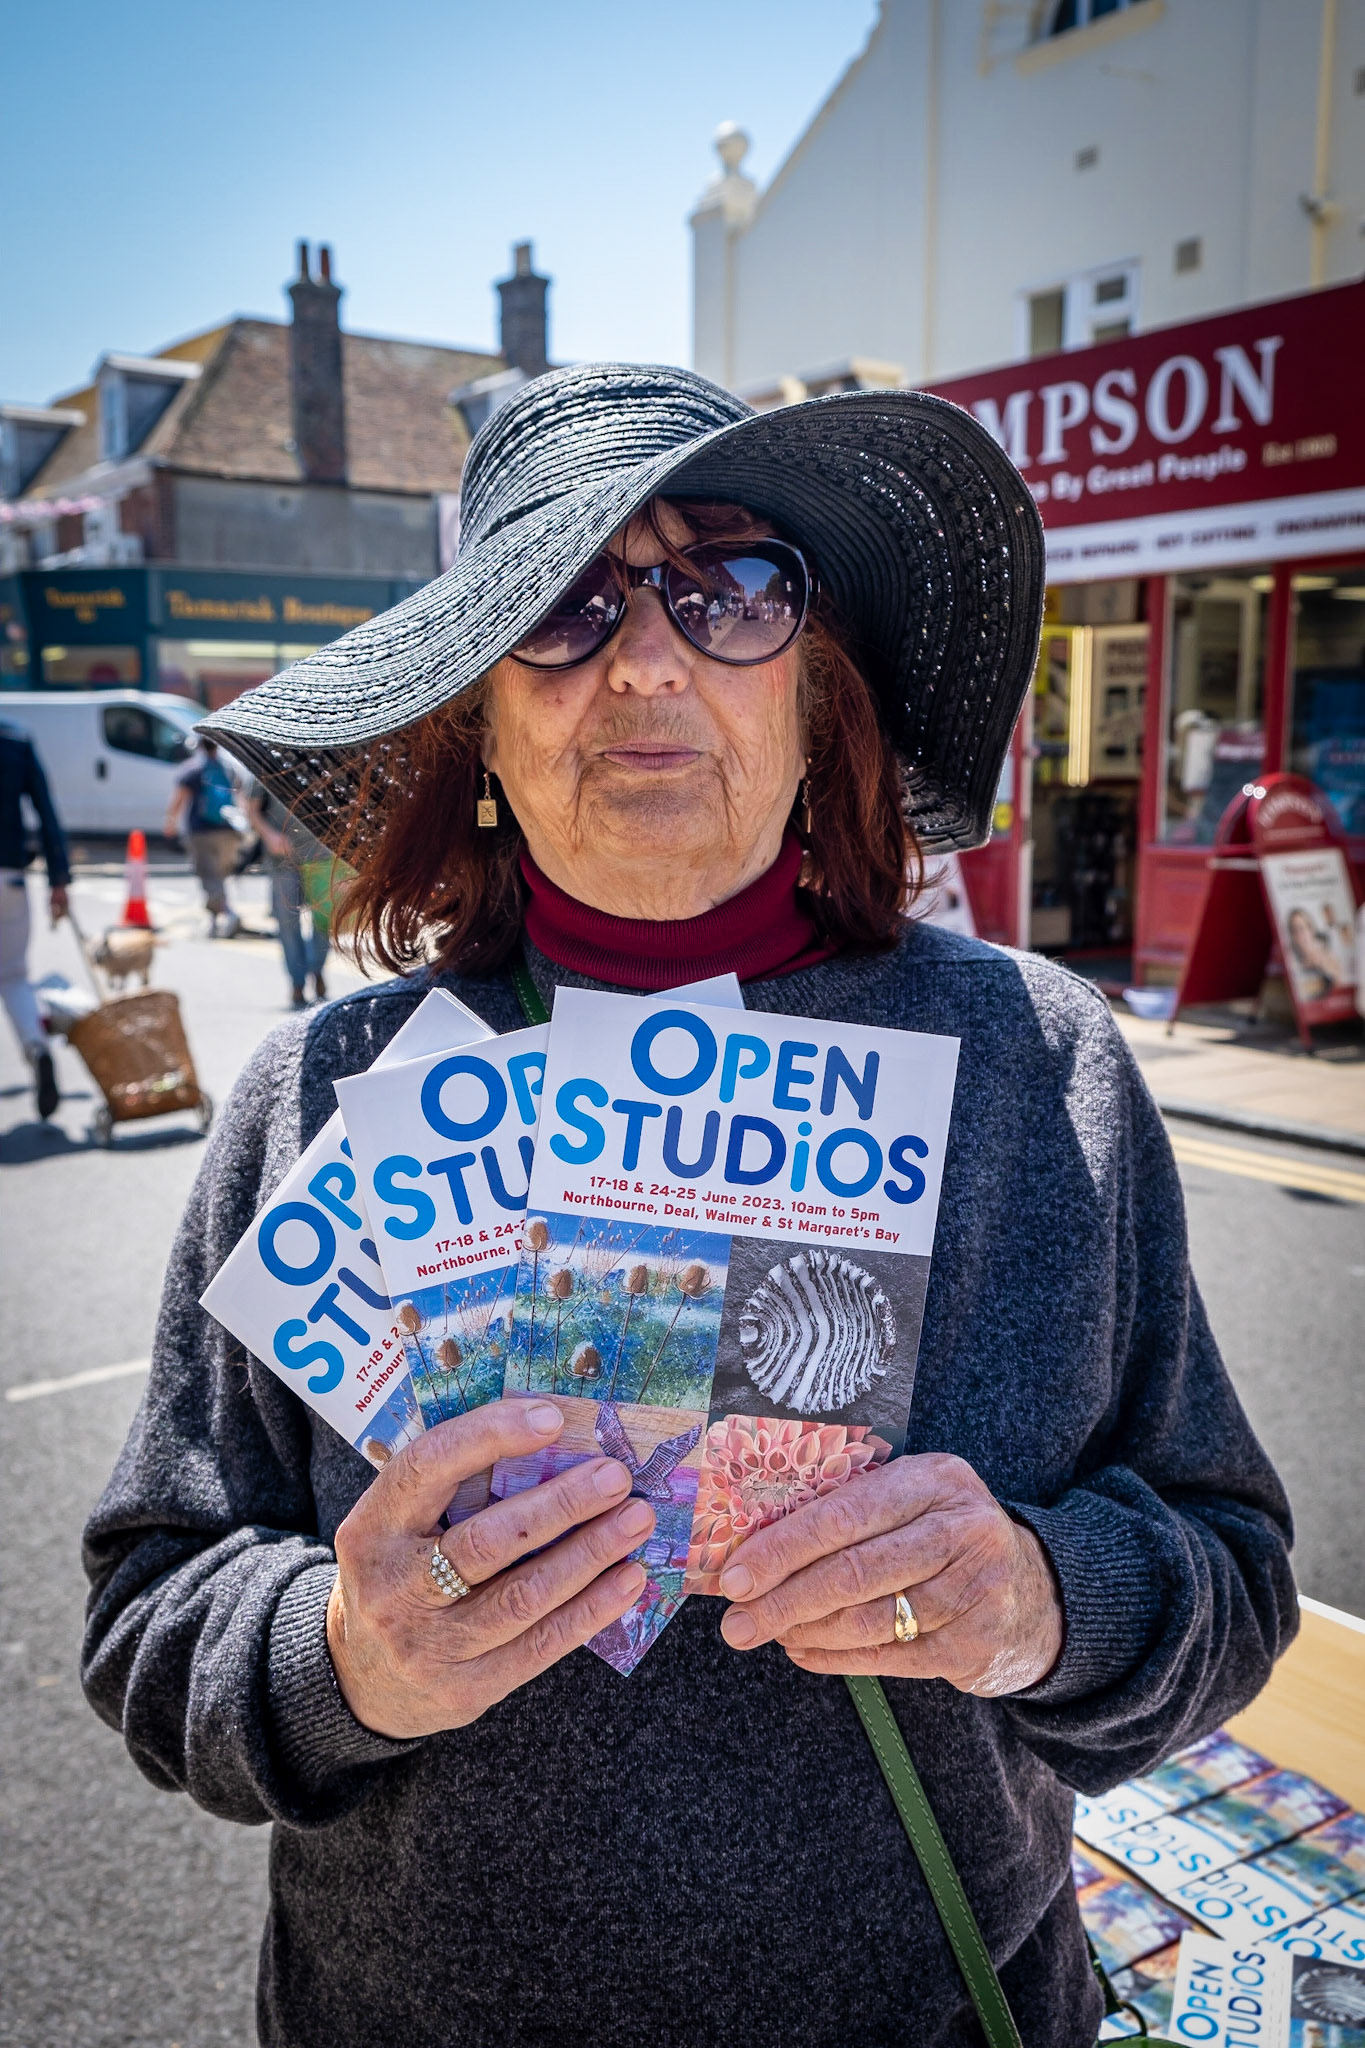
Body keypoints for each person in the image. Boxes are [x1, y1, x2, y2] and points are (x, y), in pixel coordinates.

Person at [83, 364, 1296, 2048]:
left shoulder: (1038, 1063)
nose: (649, 657)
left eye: (733, 586)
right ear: (479, 721)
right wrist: (344, 1652)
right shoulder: (324, 1092)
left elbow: (1233, 1573)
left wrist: (1041, 1596)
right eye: (564, 608)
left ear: (819, 690)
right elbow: (153, 1615)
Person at [0, 716, 70, 1120]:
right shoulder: (15, 739)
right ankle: (36, 1045)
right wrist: (58, 879)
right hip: (9, 876)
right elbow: (46, 811)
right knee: (12, 976)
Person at [242, 777, 332, 1007]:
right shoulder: (266, 761)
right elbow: (251, 810)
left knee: (323, 921)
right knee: (287, 922)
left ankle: (316, 969)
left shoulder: (323, 755)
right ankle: (297, 982)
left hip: (321, 857)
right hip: (282, 858)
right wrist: (269, 835)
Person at [164, 735, 241, 937]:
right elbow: (240, 795)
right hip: (228, 830)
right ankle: (214, 920)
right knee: (221, 876)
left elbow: (179, 798)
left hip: (201, 832)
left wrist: (170, 822)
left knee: (208, 877)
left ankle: (228, 913)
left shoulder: (192, 769)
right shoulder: (228, 768)